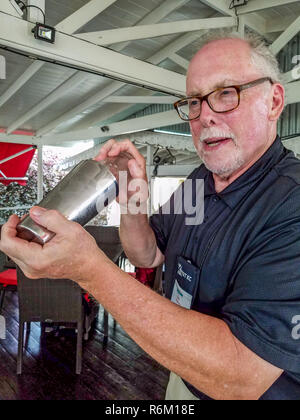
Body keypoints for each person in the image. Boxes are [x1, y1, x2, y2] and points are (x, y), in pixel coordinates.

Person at [1, 29, 300, 400]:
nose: (204, 116)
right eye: (194, 101)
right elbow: (148, 253)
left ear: (273, 102)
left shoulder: (291, 204)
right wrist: (131, 196)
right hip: (183, 374)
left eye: (226, 93)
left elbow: (242, 375)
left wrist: (90, 269)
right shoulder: (199, 182)